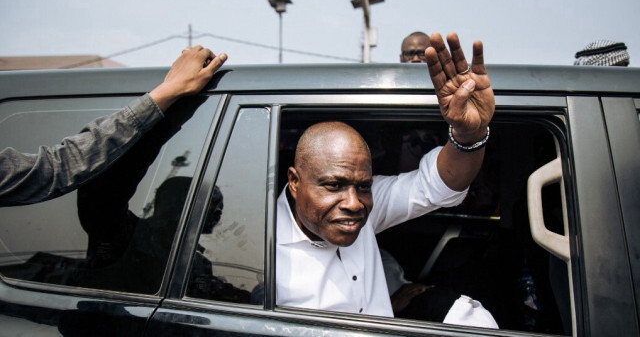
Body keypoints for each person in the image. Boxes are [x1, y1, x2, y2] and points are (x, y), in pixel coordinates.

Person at [276, 32, 495, 317]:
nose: (354, 203)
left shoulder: (364, 205)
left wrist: (469, 134)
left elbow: (437, 185)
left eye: (364, 185)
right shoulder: (263, 245)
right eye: (333, 185)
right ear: (294, 182)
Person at [0, 45, 227, 207]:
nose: (216, 214)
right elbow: (62, 169)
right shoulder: (124, 236)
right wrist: (168, 93)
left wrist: (171, 96)